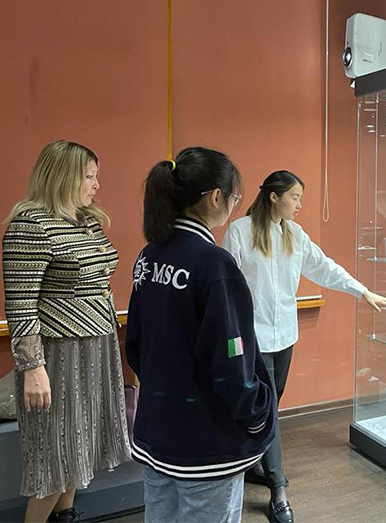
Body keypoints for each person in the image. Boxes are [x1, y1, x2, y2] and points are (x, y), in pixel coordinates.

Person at [222, 169, 386, 523]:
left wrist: (362, 291)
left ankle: (251, 463)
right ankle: (278, 490)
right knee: (267, 411)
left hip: (285, 336)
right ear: (274, 196)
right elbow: (227, 286)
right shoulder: (239, 231)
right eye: (295, 197)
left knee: (269, 407)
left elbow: (325, 268)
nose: (299, 204)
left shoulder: (295, 235)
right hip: (253, 339)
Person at [125, 147, 276, 523]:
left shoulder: (149, 255)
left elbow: (136, 345)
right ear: (215, 197)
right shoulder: (214, 263)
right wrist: (257, 416)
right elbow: (231, 362)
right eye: (235, 197)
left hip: (158, 429)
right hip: (206, 441)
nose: (235, 205)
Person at [2, 141, 131, 523]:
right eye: (88, 176)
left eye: (96, 176)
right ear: (61, 177)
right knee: (54, 457)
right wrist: (32, 368)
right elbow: (21, 306)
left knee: (79, 447)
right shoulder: (30, 226)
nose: (96, 184)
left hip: (97, 345)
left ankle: (66, 515)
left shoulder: (85, 220)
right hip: (59, 353)